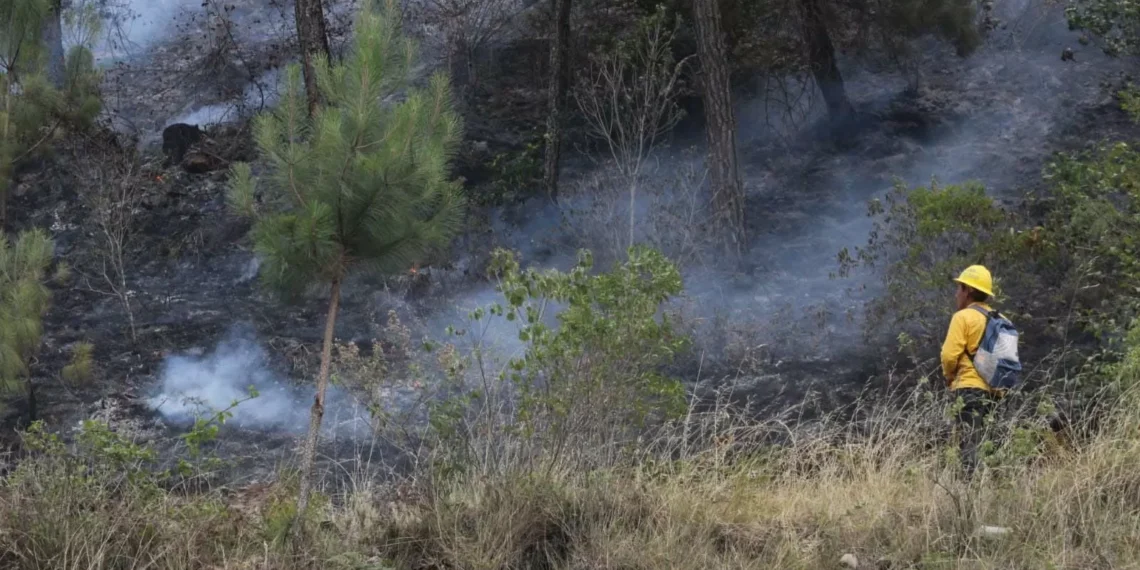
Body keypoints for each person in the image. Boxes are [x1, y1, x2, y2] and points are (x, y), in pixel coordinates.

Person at [940, 265, 1001, 477]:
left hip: (969, 389)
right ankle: (993, 492)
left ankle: (969, 498)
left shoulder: (963, 317)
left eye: (959, 288)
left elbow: (949, 355)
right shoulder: (1001, 320)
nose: (957, 293)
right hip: (996, 392)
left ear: (969, 290)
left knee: (969, 447)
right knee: (990, 447)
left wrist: (949, 377)